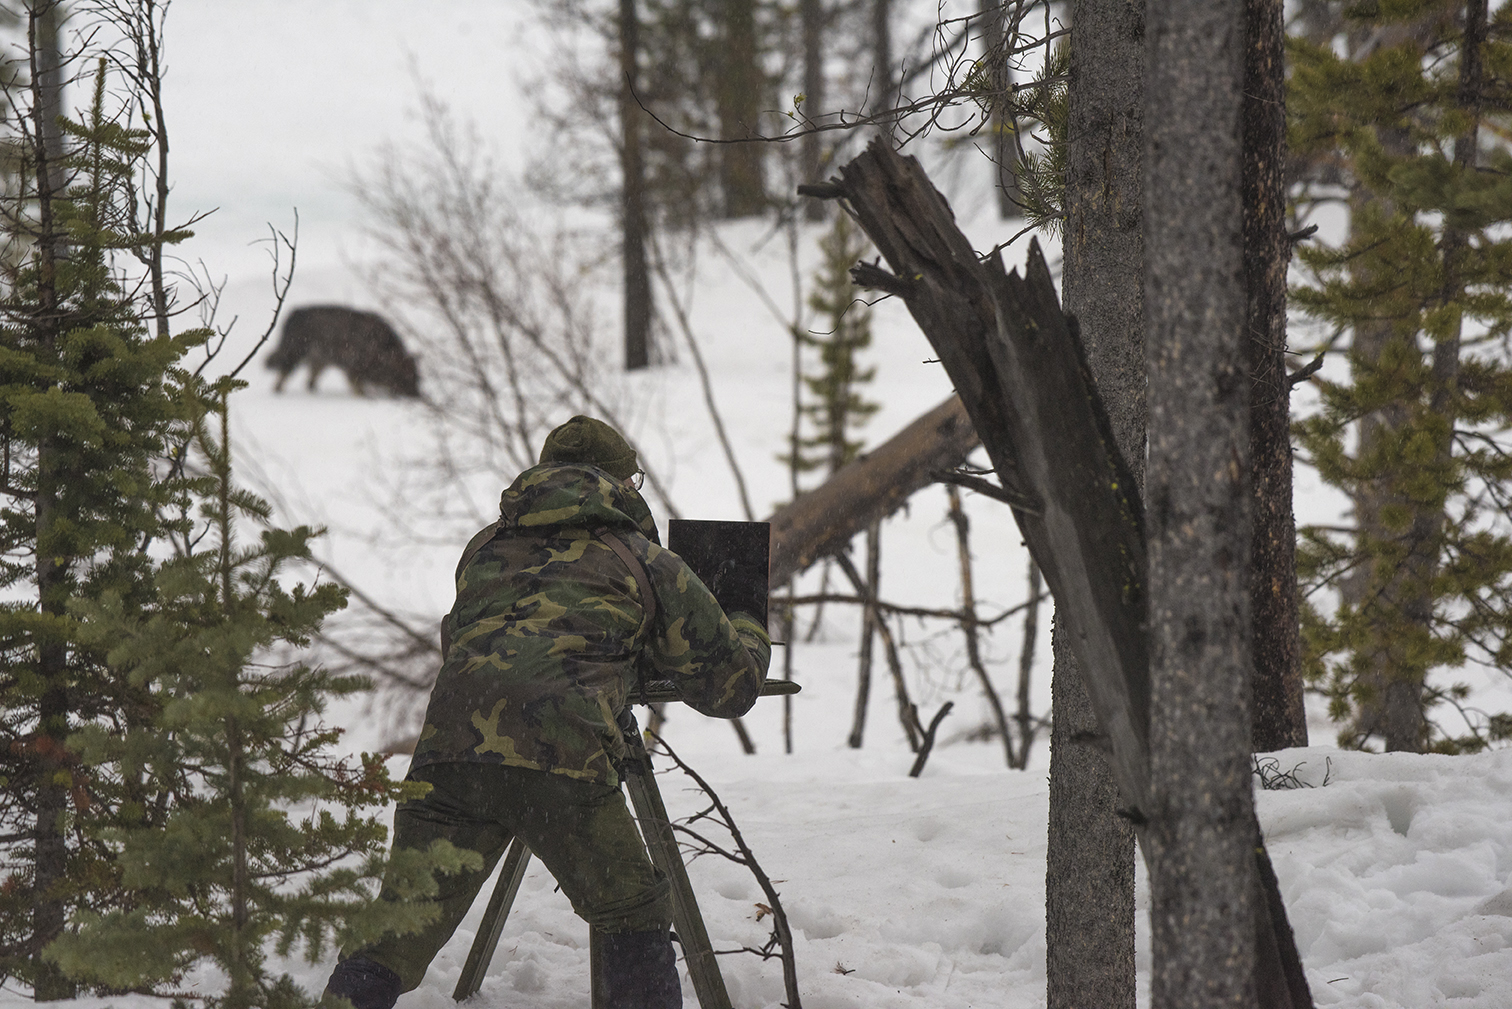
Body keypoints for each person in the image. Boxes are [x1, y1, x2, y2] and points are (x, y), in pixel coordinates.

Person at [324, 416, 771, 1009]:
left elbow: (470, 641)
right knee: (631, 910)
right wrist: (746, 624)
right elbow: (729, 689)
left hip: (449, 754)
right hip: (565, 757)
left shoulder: (483, 549)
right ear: (622, 485)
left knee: (395, 932)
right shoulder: (644, 560)